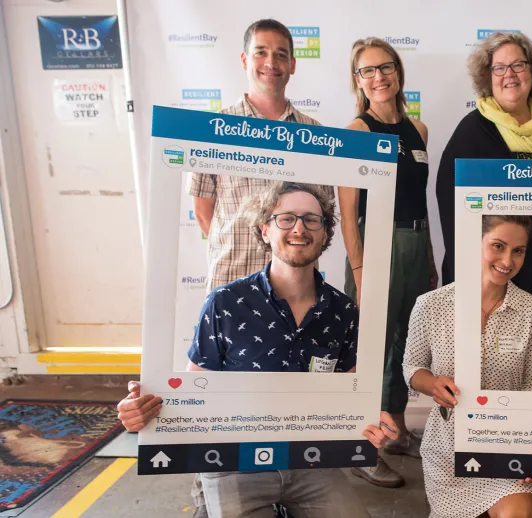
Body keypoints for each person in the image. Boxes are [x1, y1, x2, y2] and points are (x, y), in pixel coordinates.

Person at [117, 183, 398, 518]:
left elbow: (351, 392)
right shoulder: (224, 303)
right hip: (233, 462)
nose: (299, 228)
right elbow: (196, 389)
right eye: (286, 219)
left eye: (312, 220)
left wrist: (370, 420)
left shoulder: (343, 312)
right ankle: (204, 493)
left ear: (325, 234)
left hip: (310, 460)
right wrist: (142, 411)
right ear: (264, 230)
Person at [435, 31, 532, 335]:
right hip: (503, 274)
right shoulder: (473, 131)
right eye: (499, 68)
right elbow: (451, 205)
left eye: (518, 65)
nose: (510, 75)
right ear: (487, 77)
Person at [339, 37, 437, 488]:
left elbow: (422, 200)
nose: (378, 77)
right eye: (367, 71)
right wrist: (359, 269)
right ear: (358, 80)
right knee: (372, 348)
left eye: (385, 68)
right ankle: (362, 447)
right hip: (378, 246)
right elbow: (347, 209)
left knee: (407, 341)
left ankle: (394, 430)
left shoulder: (419, 130)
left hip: (417, 243)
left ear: (398, 72)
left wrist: (431, 256)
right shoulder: (358, 131)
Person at [403, 215, 532, 518]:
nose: (508, 260)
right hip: (448, 445)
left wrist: (531, 446)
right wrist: (432, 384)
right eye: (498, 246)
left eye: (518, 251)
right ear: (475, 243)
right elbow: (412, 368)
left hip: (508, 443)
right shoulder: (430, 305)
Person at [188, 19, 332, 293]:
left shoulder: (313, 133)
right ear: (244, 60)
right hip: (230, 280)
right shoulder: (215, 129)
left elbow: (322, 214)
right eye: (261, 52)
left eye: (281, 55)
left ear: (292, 65)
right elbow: (202, 210)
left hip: (295, 285)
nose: (271, 62)